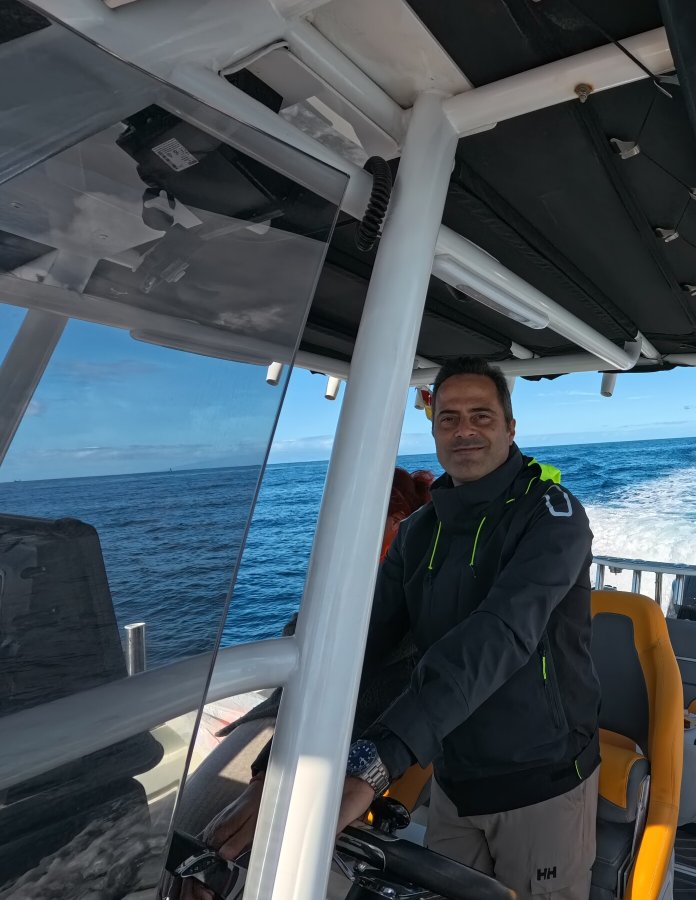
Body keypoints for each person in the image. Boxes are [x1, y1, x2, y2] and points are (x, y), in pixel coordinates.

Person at [190, 357, 601, 900]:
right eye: (449, 418)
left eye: (482, 415)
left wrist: (373, 762)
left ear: (510, 429)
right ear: (433, 432)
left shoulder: (554, 516)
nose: (465, 430)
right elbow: (358, 642)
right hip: (455, 776)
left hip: (541, 780)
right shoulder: (418, 530)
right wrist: (278, 766)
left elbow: (499, 635)